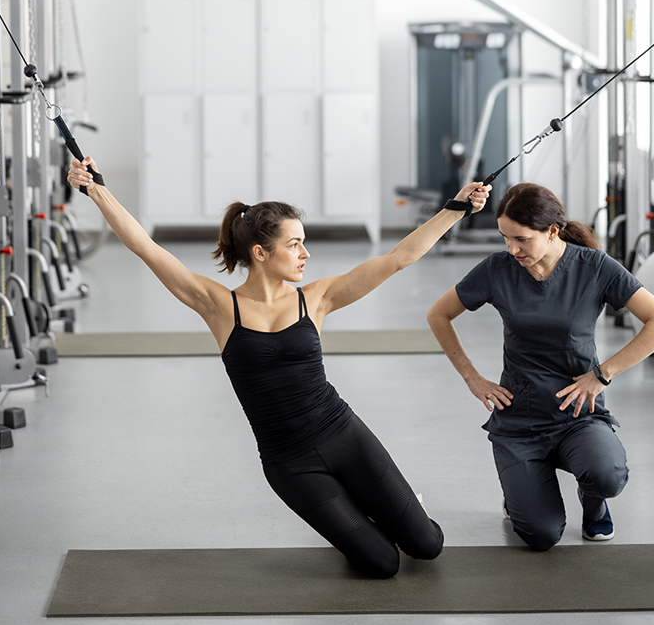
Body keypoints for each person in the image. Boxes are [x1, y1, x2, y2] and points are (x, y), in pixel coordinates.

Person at [67, 155, 490, 578]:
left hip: (344, 435)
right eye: (293, 245)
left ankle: (397, 506)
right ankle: (360, 517)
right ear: (260, 253)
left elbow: (399, 257)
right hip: (290, 463)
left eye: (303, 242)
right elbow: (146, 246)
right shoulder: (219, 307)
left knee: (428, 546)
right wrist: (95, 189)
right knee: (381, 564)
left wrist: (456, 206)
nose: (305, 254)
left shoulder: (317, 298)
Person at [426, 182, 654, 551]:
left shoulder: (594, 267)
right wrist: (472, 377)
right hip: (520, 418)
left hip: (578, 415)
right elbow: (439, 314)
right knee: (541, 535)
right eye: (505, 238)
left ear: (552, 232)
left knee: (606, 475)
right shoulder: (498, 269)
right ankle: (520, 494)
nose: (512, 249)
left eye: (522, 239)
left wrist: (602, 374)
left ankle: (593, 503)